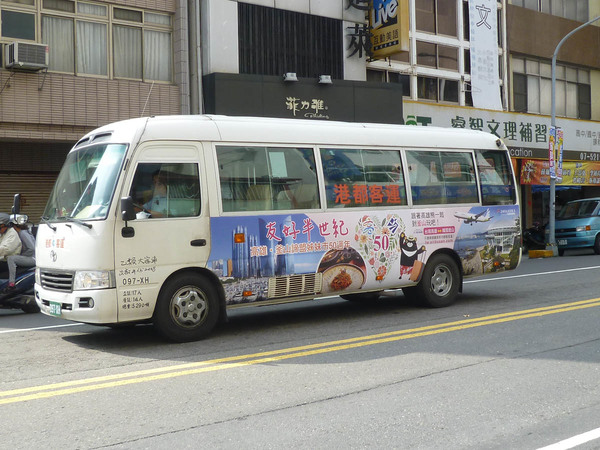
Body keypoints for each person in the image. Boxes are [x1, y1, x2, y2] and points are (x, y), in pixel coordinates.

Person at [2, 221, 36, 293]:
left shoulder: (22, 233)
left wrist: (21, 256)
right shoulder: (23, 232)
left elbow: (31, 248)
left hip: (32, 258)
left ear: (14, 226)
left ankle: (11, 284)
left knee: (11, 258)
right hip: (31, 257)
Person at [0, 213, 22, 282]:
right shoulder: (3, 234)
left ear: (5, 225)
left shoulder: (12, 234)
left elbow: (6, 249)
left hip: (7, 262)